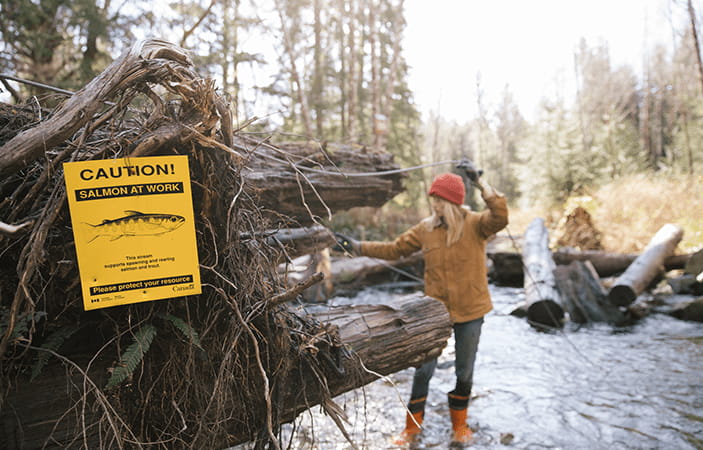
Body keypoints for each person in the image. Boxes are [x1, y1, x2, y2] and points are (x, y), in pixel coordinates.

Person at [334, 168, 508, 446]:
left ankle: (460, 427)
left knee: (464, 372)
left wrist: (480, 182)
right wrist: (355, 246)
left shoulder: (476, 224)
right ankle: (411, 430)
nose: (434, 204)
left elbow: (500, 216)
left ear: (452, 201)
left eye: (439, 200)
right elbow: (394, 249)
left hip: (471, 311)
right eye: (433, 199)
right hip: (434, 313)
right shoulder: (426, 230)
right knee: (423, 371)